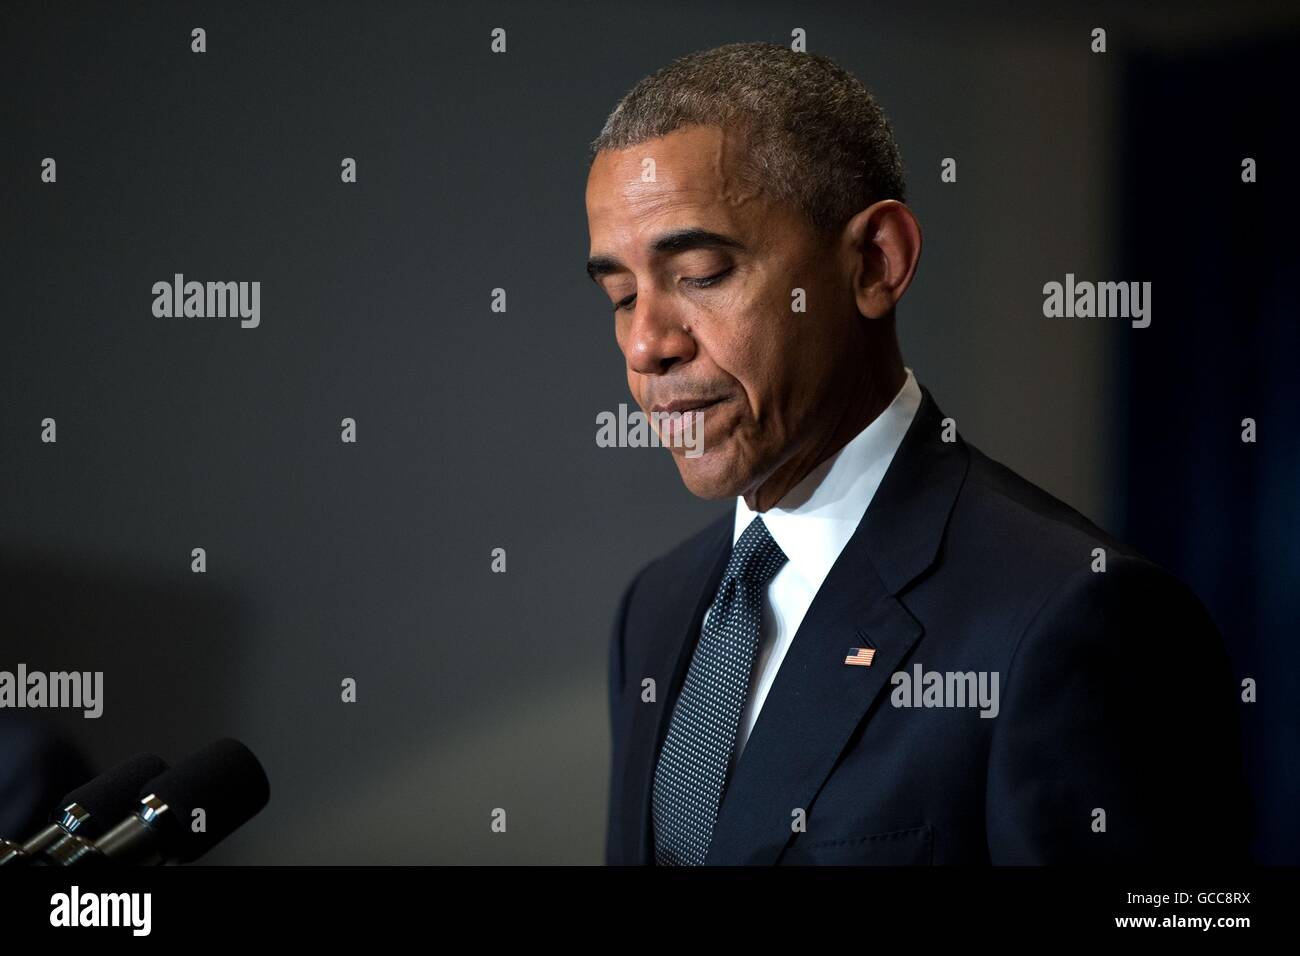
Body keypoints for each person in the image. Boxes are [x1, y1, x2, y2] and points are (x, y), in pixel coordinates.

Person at [584, 42, 1250, 865]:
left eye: (703, 274)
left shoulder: (1076, 619)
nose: (646, 343)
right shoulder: (653, 610)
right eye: (620, 296)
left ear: (876, 263)